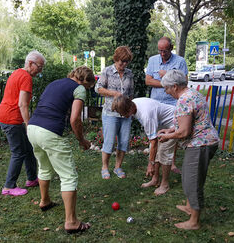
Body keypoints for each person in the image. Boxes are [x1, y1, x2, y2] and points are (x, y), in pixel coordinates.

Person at [27, 66, 95, 234]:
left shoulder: (54, 83)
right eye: (88, 87)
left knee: (44, 167)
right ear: (85, 81)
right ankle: (71, 222)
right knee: (68, 176)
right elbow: (75, 119)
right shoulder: (79, 88)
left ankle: (45, 201)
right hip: (50, 132)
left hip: (32, 128)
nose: (86, 90)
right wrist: (82, 140)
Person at [158, 70, 220, 230]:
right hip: (201, 142)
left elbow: (184, 132)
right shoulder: (192, 93)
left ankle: (194, 222)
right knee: (189, 176)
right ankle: (189, 206)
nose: (166, 92)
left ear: (175, 86)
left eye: (167, 88)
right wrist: (171, 130)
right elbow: (185, 124)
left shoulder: (184, 100)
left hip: (200, 144)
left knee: (193, 182)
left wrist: (168, 137)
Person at [0, 50, 45, 196]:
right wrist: (28, 125)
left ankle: (31, 179)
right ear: (30, 63)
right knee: (18, 152)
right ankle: (9, 186)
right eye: (39, 67)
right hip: (11, 119)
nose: (40, 70)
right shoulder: (26, 78)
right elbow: (23, 104)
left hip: (6, 114)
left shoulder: (17, 72)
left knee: (28, 148)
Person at [112, 96, 176, 195]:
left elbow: (153, 142)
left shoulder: (146, 114)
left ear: (129, 108)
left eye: (123, 114)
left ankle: (165, 184)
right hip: (162, 124)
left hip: (173, 123)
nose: (123, 116)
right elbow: (153, 144)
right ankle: (155, 179)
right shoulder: (133, 104)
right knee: (155, 151)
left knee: (164, 153)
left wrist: (150, 164)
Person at [145, 36, 188, 174]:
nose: (162, 54)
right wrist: (169, 81)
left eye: (165, 51)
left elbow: (184, 83)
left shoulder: (180, 61)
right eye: (160, 51)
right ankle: (154, 162)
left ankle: (172, 163)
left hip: (173, 103)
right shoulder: (152, 60)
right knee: (156, 133)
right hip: (156, 102)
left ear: (171, 48)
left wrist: (166, 75)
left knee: (173, 133)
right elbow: (148, 81)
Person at [95, 46, 134, 179]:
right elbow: (98, 88)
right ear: (116, 59)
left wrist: (130, 109)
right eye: (121, 61)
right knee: (109, 142)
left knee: (123, 141)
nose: (123, 64)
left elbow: (131, 93)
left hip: (126, 114)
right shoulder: (107, 71)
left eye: (126, 62)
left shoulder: (129, 73)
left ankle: (118, 167)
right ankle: (104, 167)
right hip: (110, 113)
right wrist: (114, 93)